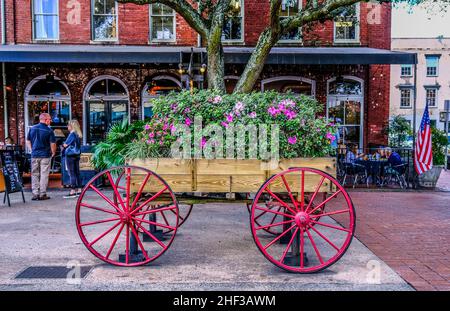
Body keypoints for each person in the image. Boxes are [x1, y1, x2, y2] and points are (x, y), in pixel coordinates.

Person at [26, 113, 56, 201]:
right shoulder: (49, 130)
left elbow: (28, 141)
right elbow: (53, 144)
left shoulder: (32, 128)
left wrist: (32, 150)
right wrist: (53, 152)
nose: (50, 121)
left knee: (34, 174)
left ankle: (35, 194)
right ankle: (42, 194)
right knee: (44, 175)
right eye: (50, 119)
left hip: (34, 155)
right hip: (45, 155)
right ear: (45, 119)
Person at [62, 120, 83, 199]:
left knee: (72, 173)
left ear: (72, 126)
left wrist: (62, 144)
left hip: (70, 155)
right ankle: (79, 190)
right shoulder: (78, 134)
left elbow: (65, 145)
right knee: (77, 172)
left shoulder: (72, 134)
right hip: (76, 155)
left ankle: (73, 191)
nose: (67, 126)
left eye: (68, 125)